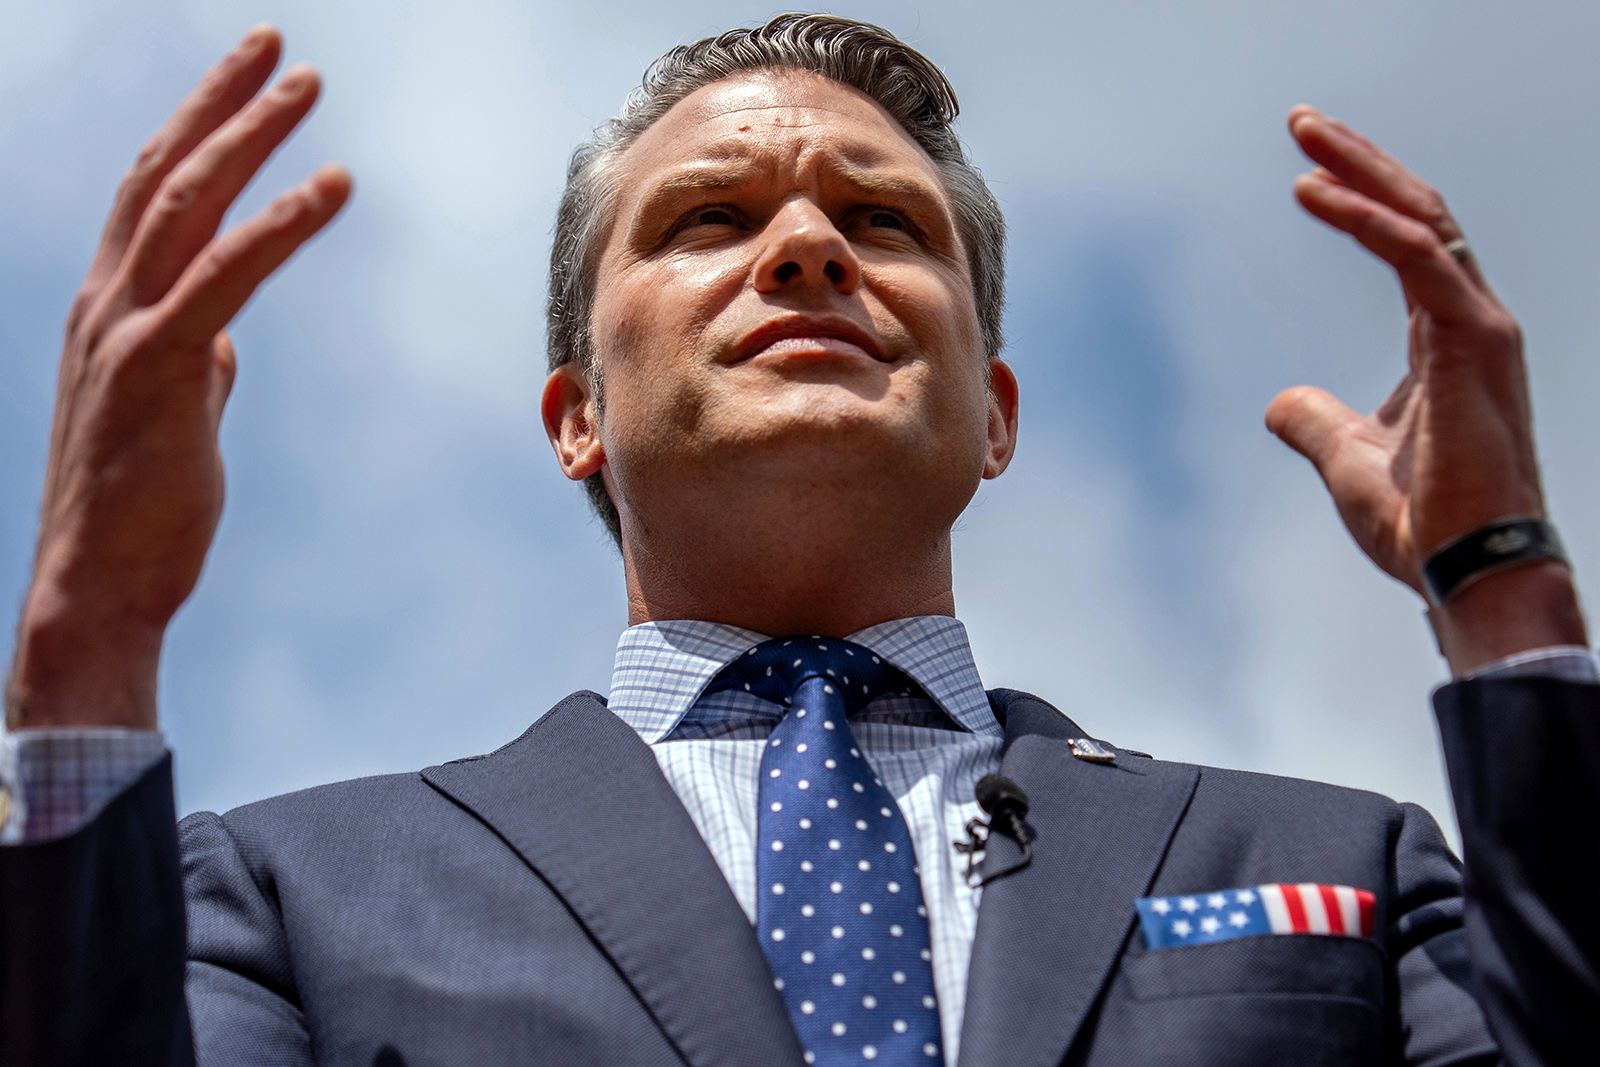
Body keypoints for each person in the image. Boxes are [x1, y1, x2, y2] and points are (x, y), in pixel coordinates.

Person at [2, 12, 1595, 1067]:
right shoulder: (288, 895)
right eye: (710, 218)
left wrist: (1507, 603)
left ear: (994, 417)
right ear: (576, 415)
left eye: (884, 222)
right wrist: (86, 654)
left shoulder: (1344, 866)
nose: (811, 247)